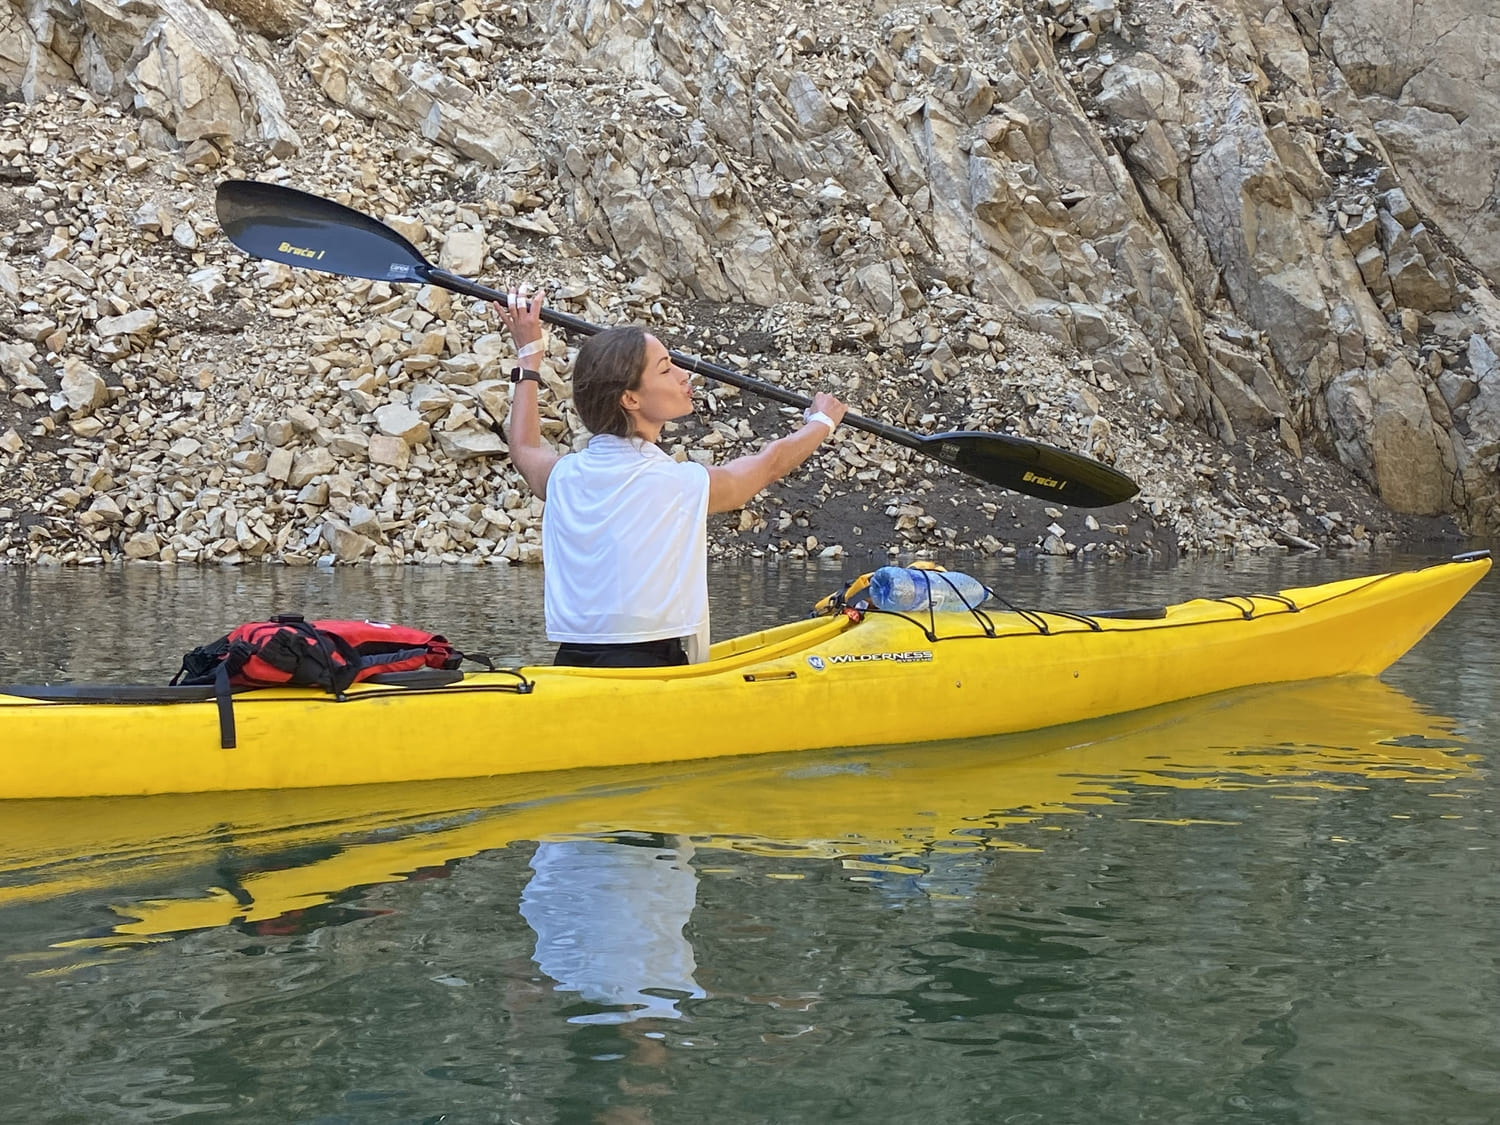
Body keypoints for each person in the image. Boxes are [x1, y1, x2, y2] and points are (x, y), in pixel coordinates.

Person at [495, 285, 847, 668]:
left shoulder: (564, 476)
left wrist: (529, 359)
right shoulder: (677, 484)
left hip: (570, 665)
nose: (684, 374)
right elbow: (769, 463)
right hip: (652, 669)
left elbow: (524, 448)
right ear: (630, 399)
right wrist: (822, 421)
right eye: (666, 368)